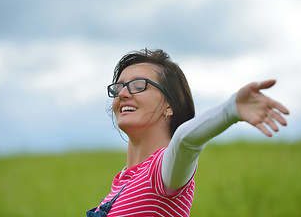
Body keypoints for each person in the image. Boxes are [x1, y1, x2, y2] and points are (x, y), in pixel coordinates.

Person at [86, 49, 289, 217]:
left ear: (170, 105)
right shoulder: (121, 182)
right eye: (118, 87)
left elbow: (185, 141)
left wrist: (231, 109)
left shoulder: (161, 172)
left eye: (139, 86)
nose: (122, 94)